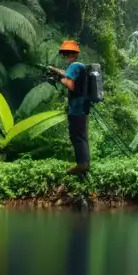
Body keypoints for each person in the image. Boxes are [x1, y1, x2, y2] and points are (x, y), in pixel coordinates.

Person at [49, 40, 90, 176]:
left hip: (76, 109)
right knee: (82, 136)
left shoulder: (73, 67)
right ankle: (85, 164)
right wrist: (58, 73)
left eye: (66, 54)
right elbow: (68, 76)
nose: (65, 56)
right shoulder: (80, 66)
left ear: (71, 54)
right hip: (83, 107)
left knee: (76, 136)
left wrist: (58, 79)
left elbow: (70, 85)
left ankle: (82, 165)